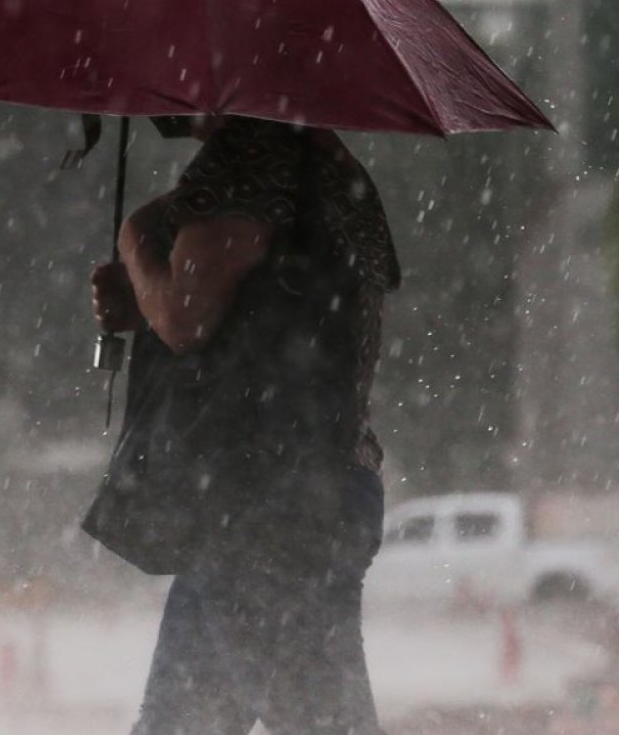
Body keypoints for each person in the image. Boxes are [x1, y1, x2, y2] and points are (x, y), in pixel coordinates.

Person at [88, 115, 400, 735]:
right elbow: (255, 313)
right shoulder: (330, 165)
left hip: (257, 505)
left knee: (317, 721)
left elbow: (185, 317)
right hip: (309, 489)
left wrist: (133, 244)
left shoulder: (250, 157)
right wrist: (146, 295)